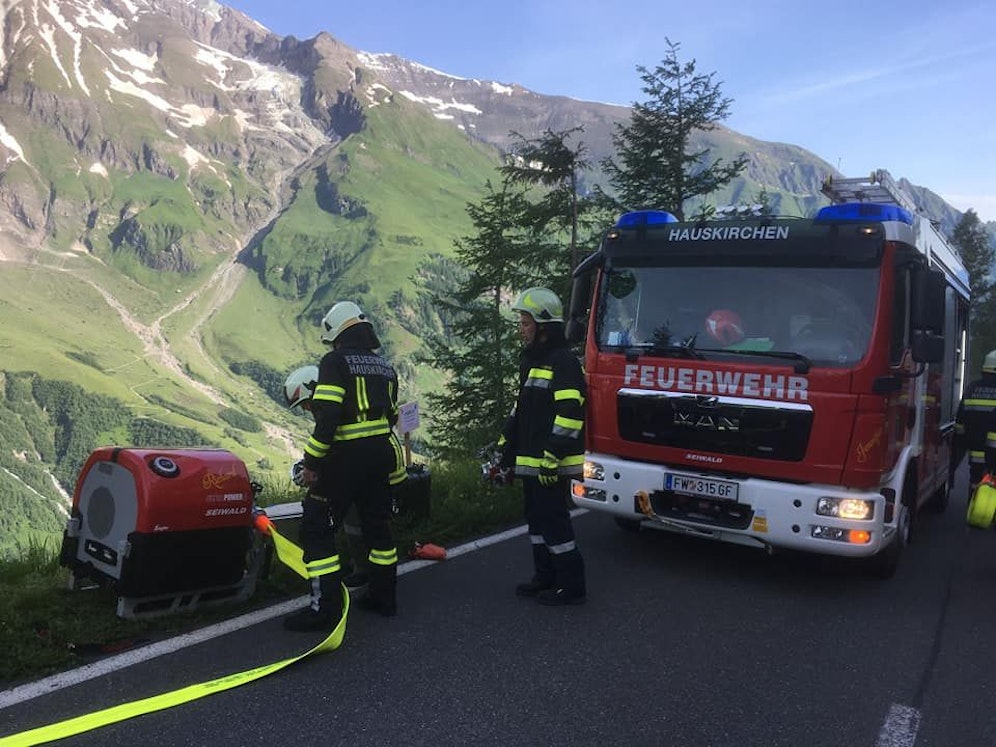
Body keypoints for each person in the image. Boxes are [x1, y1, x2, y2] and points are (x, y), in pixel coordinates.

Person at [283, 301, 403, 631]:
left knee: (316, 527)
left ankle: (325, 610)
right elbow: (392, 415)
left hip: (347, 457)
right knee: (378, 527)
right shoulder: (384, 366)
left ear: (336, 333)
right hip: (381, 455)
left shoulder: (335, 362)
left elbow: (329, 416)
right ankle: (384, 598)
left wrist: (312, 463)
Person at [283, 366, 407, 597]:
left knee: (370, 526)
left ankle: (357, 585)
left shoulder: (337, 415)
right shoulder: (346, 409)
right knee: (363, 525)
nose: (308, 409)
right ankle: (373, 580)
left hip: (383, 474)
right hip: (378, 469)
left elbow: (337, 447)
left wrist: (312, 469)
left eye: (308, 403)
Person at [500, 286, 587, 606]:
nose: (521, 329)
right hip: (532, 462)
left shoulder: (562, 361)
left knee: (555, 523)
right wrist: (503, 446)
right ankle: (545, 577)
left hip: (551, 463)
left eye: (525, 323)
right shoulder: (532, 361)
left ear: (543, 325)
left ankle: (572, 587)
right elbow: (521, 411)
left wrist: (552, 456)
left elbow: (570, 413)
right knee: (536, 521)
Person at [954, 350, 996, 498]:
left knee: (975, 480)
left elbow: (960, 420)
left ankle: (974, 512)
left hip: (975, 448)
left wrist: (960, 442)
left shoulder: (972, 388)